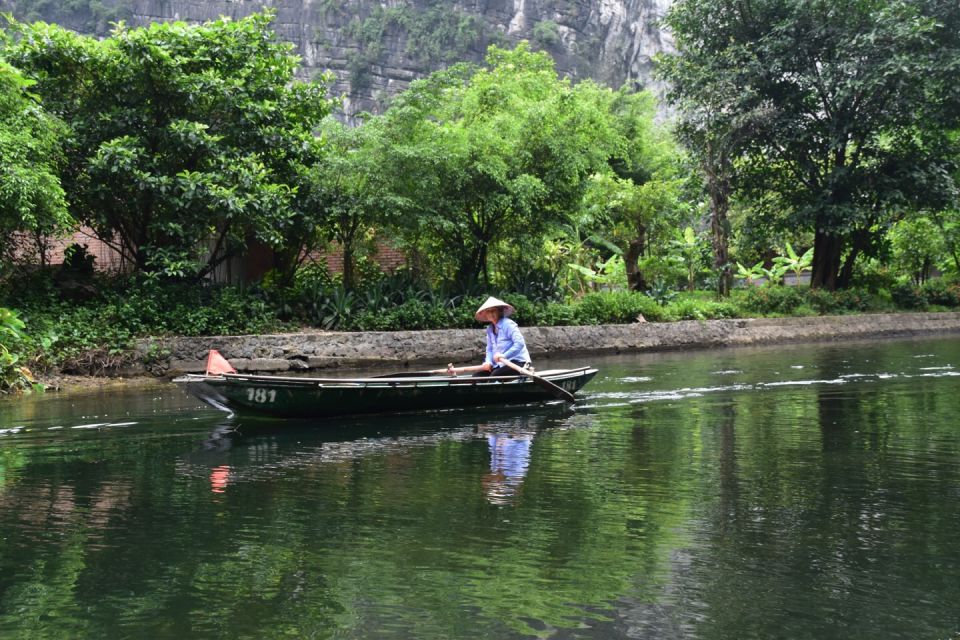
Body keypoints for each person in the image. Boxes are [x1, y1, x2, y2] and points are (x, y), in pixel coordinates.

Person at [446, 296, 532, 377]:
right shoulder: (490, 329)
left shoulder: (508, 324)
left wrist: (504, 356)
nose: (490, 313)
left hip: (518, 362)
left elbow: (519, 343)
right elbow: (489, 349)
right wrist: (488, 362)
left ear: (500, 311)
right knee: (476, 376)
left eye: (493, 311)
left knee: (494, 376)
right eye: (488, 311)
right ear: (486, 314)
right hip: (501, 364)